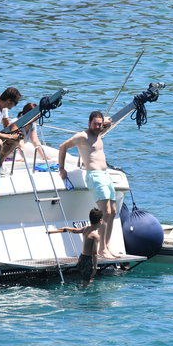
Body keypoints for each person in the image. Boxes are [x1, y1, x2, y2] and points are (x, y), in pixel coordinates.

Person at [57, 110, 117, 259]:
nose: (97, 126)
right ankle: (102, 249)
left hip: (105, 175)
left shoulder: (99, 133)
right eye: (95, 124)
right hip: (95, 176)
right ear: (89, 123)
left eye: (99, 124)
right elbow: (62, 146)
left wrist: (105, 123)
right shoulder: (82, 136)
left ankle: (107, 246)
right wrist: (61, 168)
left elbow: (109, 122)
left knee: (113, 211)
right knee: (105, 212)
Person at [48, 207, 102, 286]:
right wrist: (95, 268)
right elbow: (94, 253)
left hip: (81, 258)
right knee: (86, 283)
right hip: (88, 260)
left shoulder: (86, 228)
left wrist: (66, 228)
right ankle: (83, 287)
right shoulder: (95, 236)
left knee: (86, 278)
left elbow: (74, 230)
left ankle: (84, 284)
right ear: (100, 220)